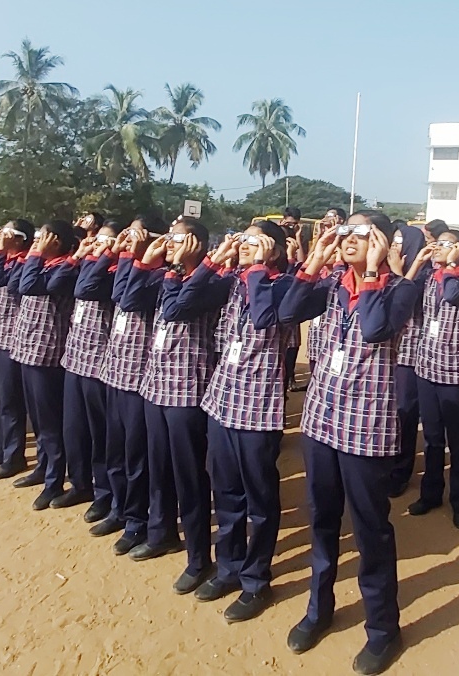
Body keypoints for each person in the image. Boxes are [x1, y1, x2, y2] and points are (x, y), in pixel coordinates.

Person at [279, 211, 416, 676]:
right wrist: (314, 261)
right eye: (345, 233)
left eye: (360, 233)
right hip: (320, 422)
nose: (349, 241)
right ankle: (319, 609)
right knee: (322, 521)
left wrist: (377, 271)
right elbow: (286, 312)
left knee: (370, 531)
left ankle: (383, 629)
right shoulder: (334, 284)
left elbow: (376, 330)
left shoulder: (400, 289)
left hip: (365, 430)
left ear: (379, 239)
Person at [189, 220, 294, 622]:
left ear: (273, 247)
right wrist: (217, 260)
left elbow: (266, 318)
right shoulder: (234, 279)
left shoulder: (282, 284)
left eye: (253, 240)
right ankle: (228, 567)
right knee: (226, 493)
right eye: (243, 239)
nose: (244, 246)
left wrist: (260, 266)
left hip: (257, 409)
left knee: (260, 501)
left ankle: (256, 580)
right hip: (221, 400)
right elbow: (186, 296)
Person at [130, 218, 223, 596]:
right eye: (167, 236)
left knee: (190, 477)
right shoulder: (167, 274)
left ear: (197, 244)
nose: (169, 243)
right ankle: (160, 532)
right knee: (158, 466)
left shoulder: (212, 283)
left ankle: (199, 558)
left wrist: (174, 270)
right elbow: (130, 297)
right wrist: (143, 261)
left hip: (186, 391)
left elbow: (176, 309)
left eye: (178, 238)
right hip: (156, 385)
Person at [98, 215, 172, 553]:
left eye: (138, 233)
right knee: (115, 451)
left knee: (138, 458)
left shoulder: (161, 275)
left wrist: (141, 260)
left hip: (140, 377)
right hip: (115, 371)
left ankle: (139, 521)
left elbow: (129, 300)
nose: (130, 237)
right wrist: (128, 255)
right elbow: (117, 292)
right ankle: (120, 509)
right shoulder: (134, 266)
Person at [405, 230, 459, 530]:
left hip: (455, 371)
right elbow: (405, 294)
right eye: (437, 245)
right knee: (433, 438)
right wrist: (421, 262)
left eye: (447, 245)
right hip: (426, 366)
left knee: (457, 440)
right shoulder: (428, 277)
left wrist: (450, 266)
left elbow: (454, 296)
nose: (438, 249)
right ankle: (431, 493)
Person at [10, 220, 81, 510]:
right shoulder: (38, 264)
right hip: (26, 349)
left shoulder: (66, 268)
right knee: (37, 418)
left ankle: (54, 480)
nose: (37, 241)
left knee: (50, 422)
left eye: (43, 236)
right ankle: (42, 467)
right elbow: (16, 284)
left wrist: (37, 255)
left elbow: (30, 286)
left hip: (46, 353)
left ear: (57, 241)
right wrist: (35, 256)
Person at [59, 221, 121, 522]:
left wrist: (107, 257)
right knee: (74, 429)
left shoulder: (113, 272)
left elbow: (86, 289)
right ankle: (79, 483)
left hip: (98, 363)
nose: (98, 245)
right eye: (97, 240)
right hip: (75, 359)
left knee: (101, 435)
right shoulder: (89, 265)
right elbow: (66, 284)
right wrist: (84, 255)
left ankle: (104, 493)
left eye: (107, 241)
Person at [0, 220, 34, 476]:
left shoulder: (23, 262)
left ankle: (13, 456)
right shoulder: (6, 258)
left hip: (11, 341)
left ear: (21, 239)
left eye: (8, 232)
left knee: (10, 403)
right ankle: (0, 450)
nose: (1, 235)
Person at [388, 222, 427, 497]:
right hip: (385, 354)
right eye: (394, 240)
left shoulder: (425, 276)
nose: (395, 247)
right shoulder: (384, 272)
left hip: (410, 354)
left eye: (401, 242)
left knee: (405, 412)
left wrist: (400, 274)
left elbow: (406, 299)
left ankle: (401, 470)